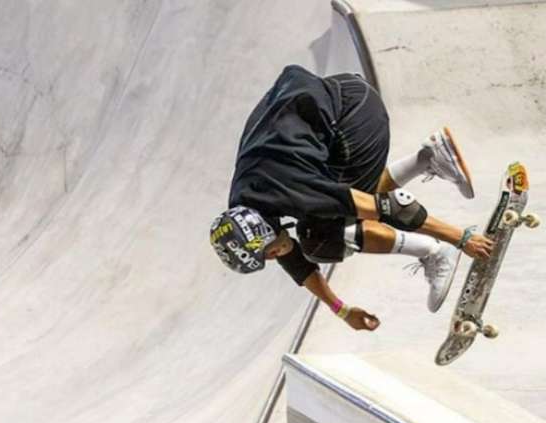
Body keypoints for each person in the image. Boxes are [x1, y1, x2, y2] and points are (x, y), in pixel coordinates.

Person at [210, 65, 493, 331]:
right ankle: (428, 158)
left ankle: (433, 251)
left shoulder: (291, 191)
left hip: (354, 118)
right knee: (330, 215)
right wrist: (341, 311)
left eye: (267, 253)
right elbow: (291, 258)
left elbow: (389, 208)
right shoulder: (244, 204)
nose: (273, 257)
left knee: (321, 238)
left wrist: (460, 238)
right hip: (342, 101)